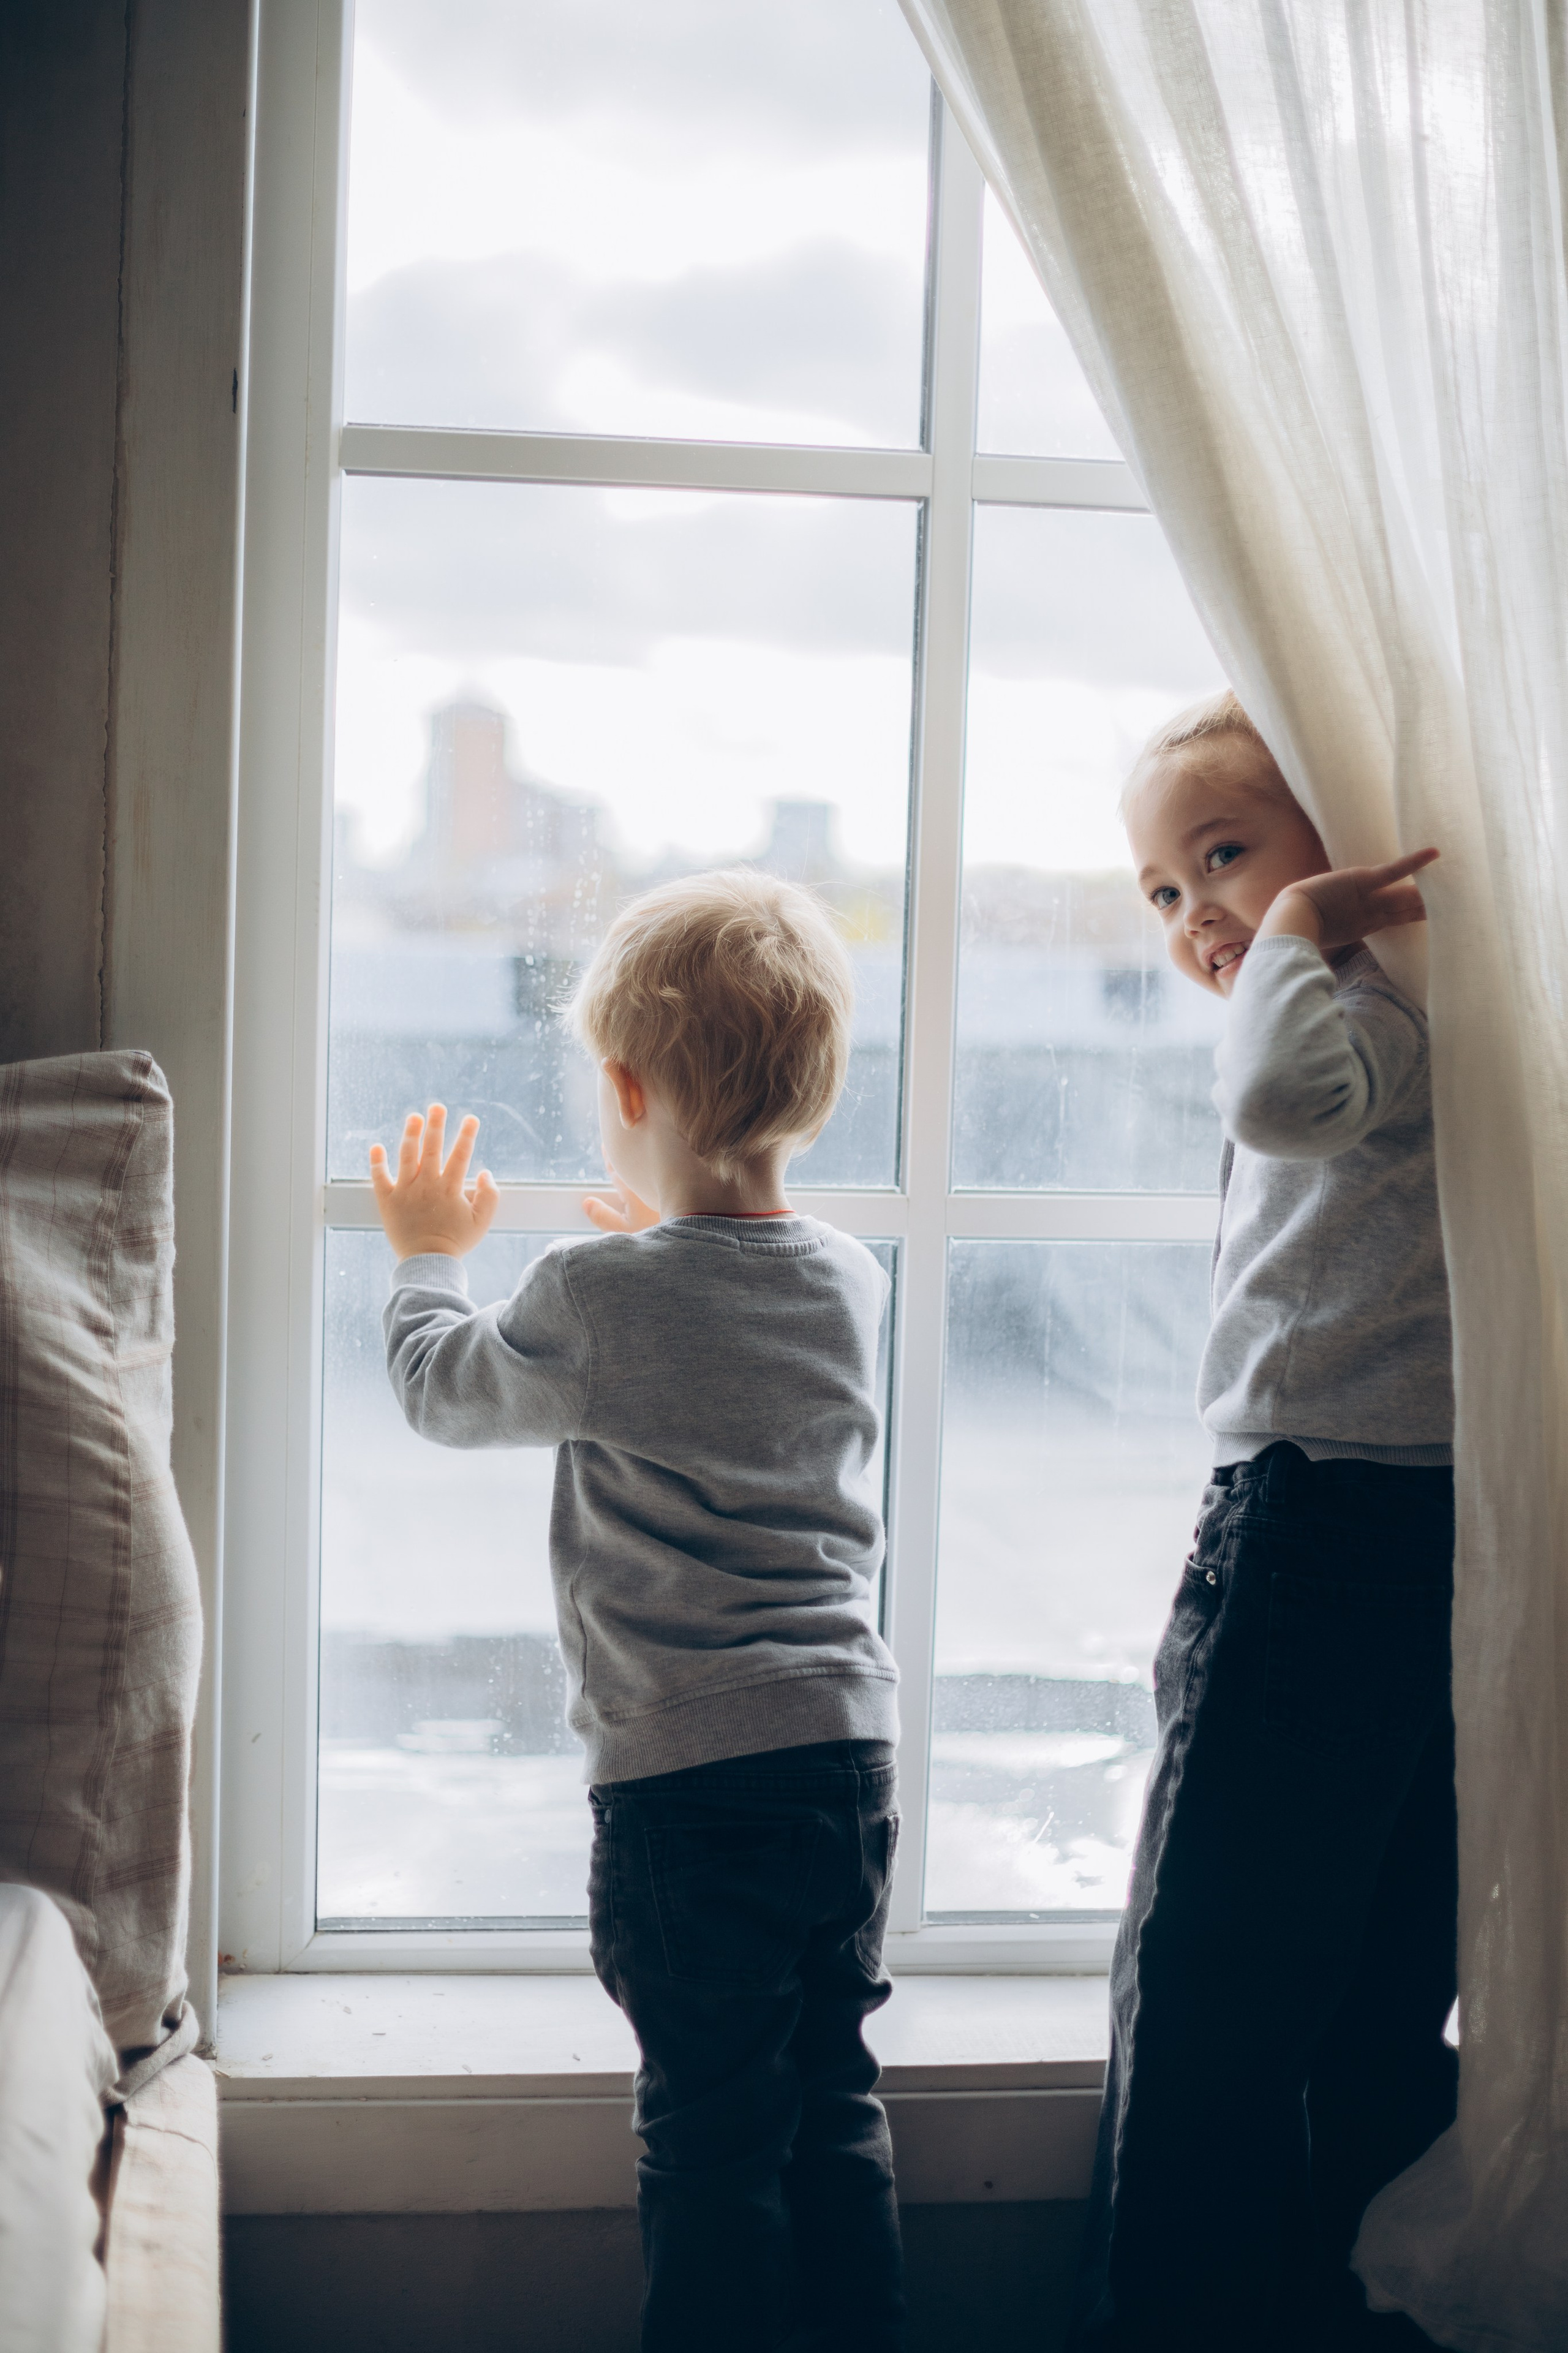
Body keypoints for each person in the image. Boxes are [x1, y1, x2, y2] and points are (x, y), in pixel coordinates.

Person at [368, 868, 905, 2353]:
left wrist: (423, 1250)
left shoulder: (593, 1293)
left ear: (619, 1085)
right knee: (829, 2103)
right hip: (845, 1756)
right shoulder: (853, 1277)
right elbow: (721, 1330)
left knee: (711, 2141)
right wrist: (656, 1244)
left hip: (689, 1780)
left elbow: (442, 1390)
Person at [1069, 692, 1457, 2353]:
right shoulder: (1393, 1014)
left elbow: (1281, 1105)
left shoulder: (1362, 1009)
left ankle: (1181, 2313)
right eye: (1162, 890)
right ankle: (1322, 2298)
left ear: (1340, 844)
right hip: (1412, 1513)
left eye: (1226, 856)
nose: (1198, 912)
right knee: (1369, 1962)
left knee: (1211, 1958)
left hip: (1311, 1507)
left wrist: (1300, 935)